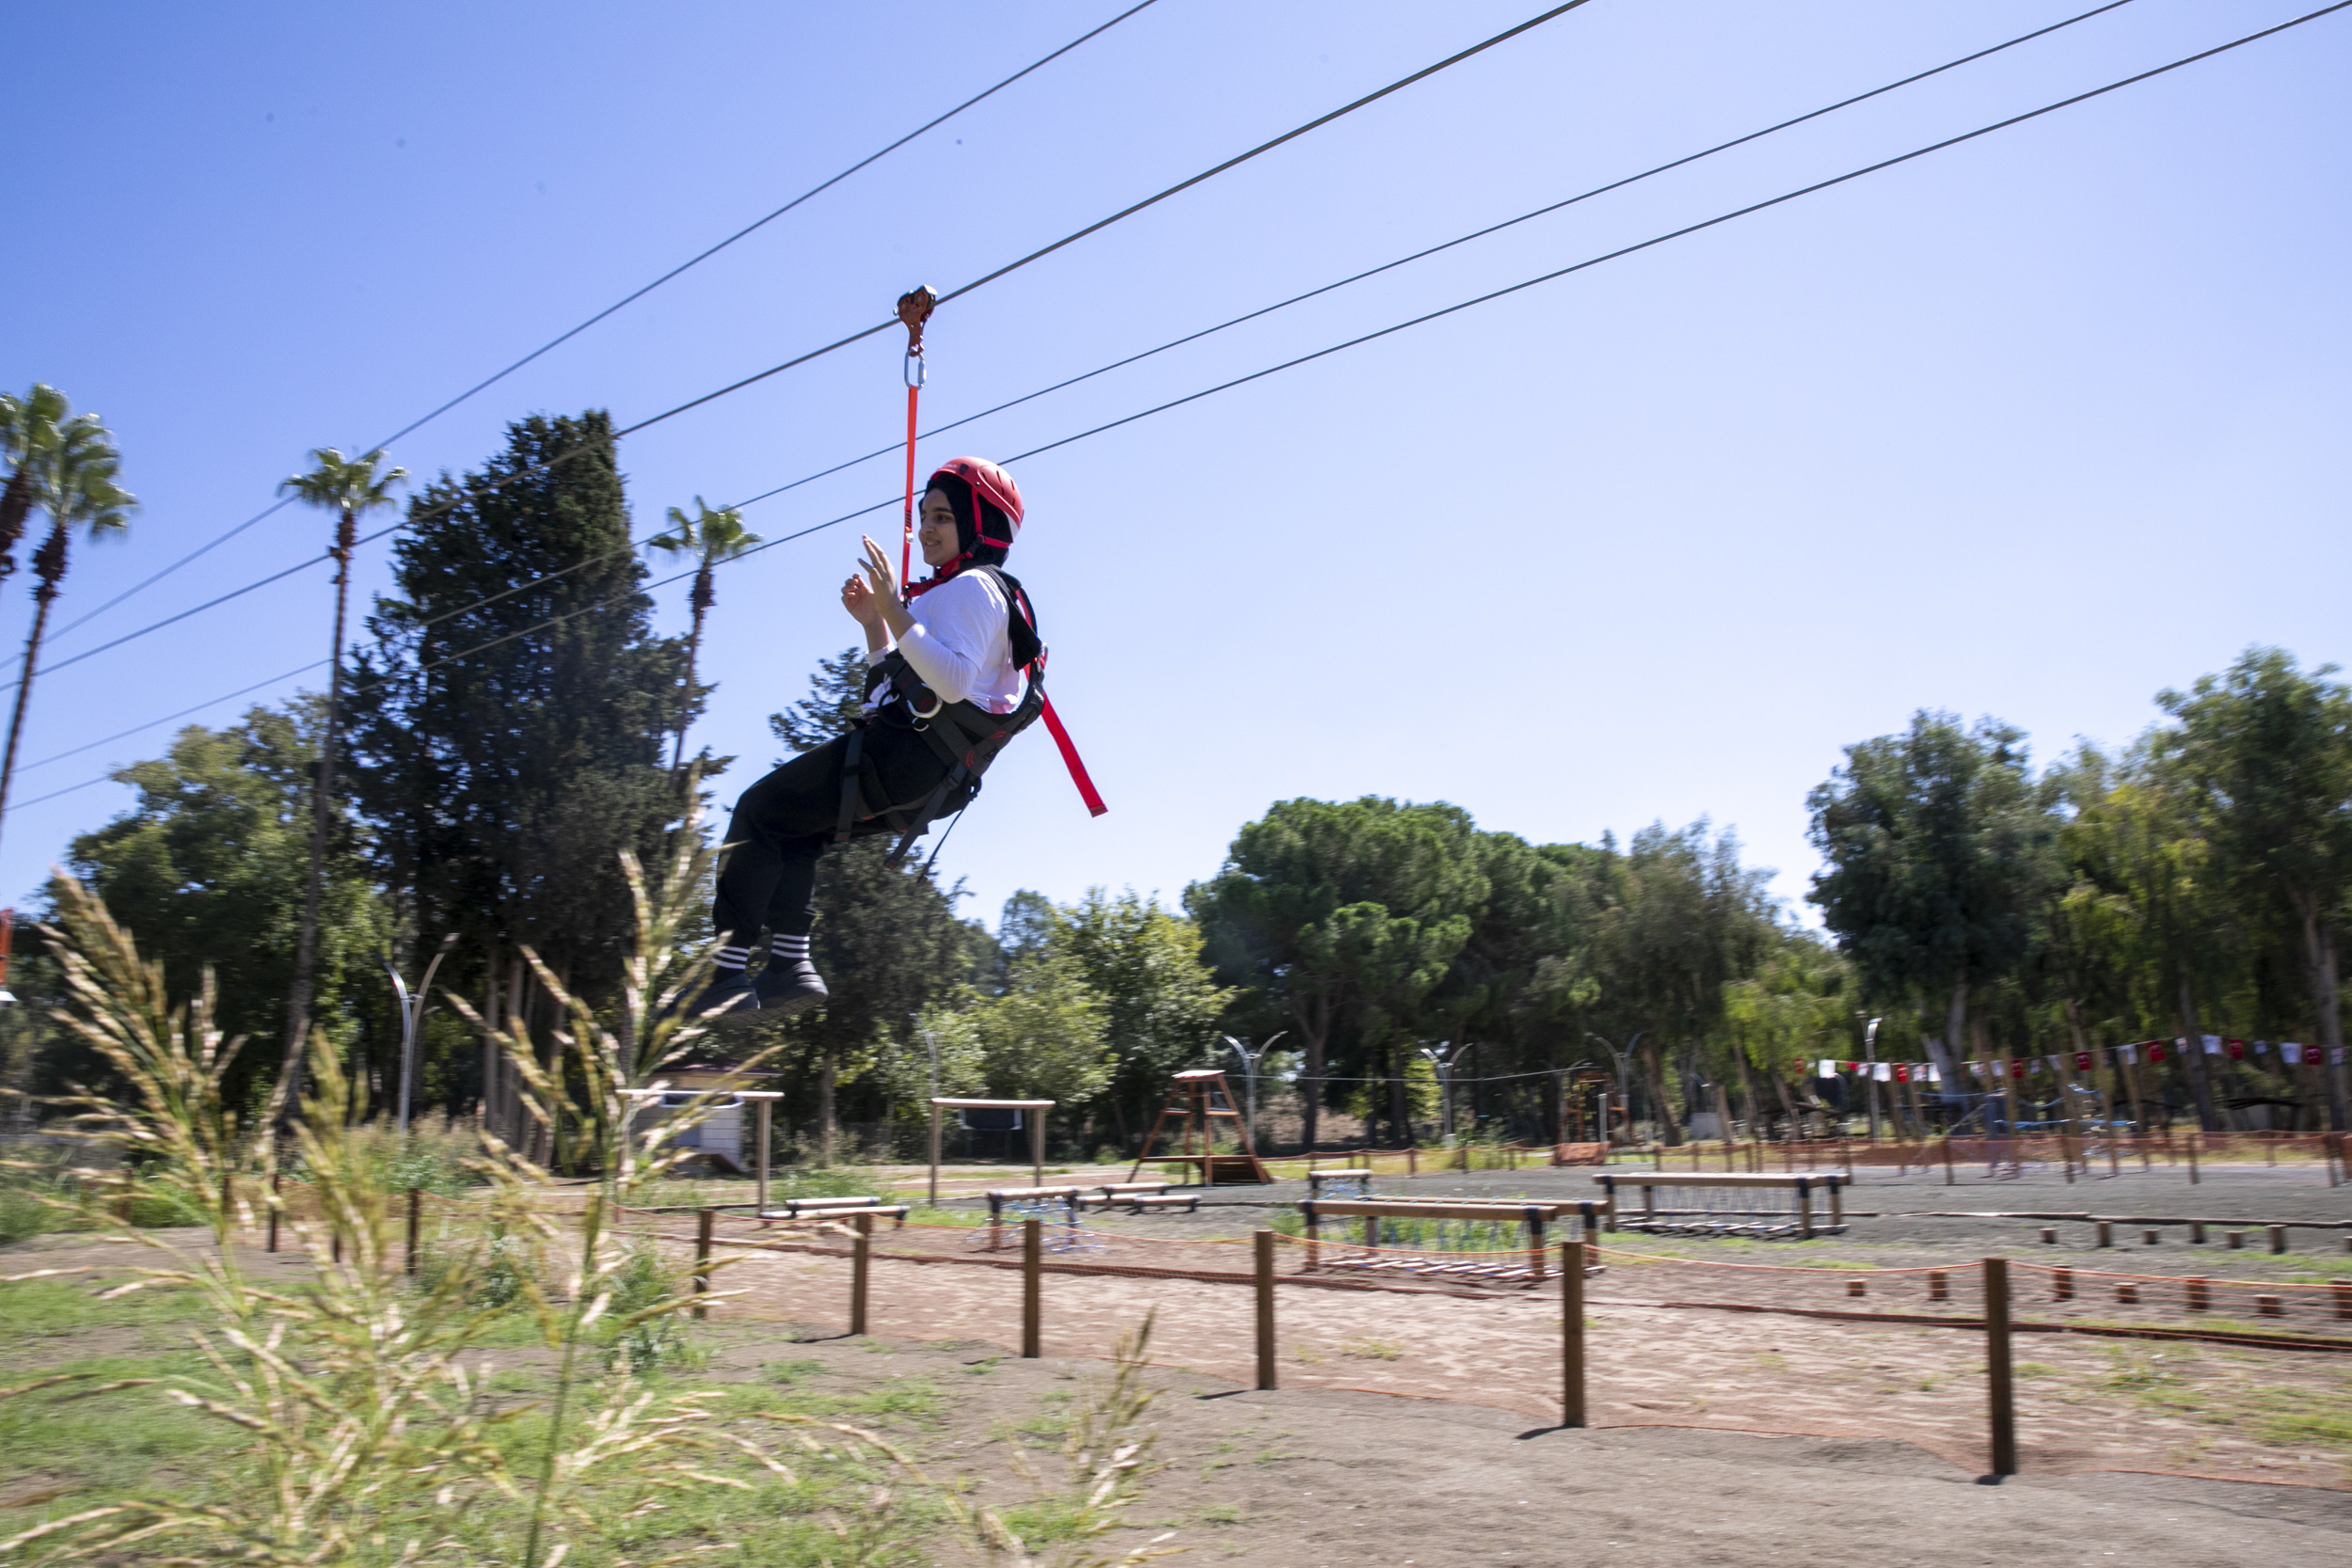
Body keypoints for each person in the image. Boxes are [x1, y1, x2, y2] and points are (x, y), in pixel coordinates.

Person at [693, 456, 1043, 1022]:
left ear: (981, 527)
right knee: (792, 830)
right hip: (926, 770)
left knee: (757, 810)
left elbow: (952, 682)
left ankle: (726, 975)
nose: (926, 529)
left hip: (905, 756)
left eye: (943, 517)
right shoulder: (960, 594)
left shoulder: (974, 587)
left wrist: (893, 609)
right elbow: (902, 688)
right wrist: (875, 626)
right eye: (924, 515)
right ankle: (788, 967)